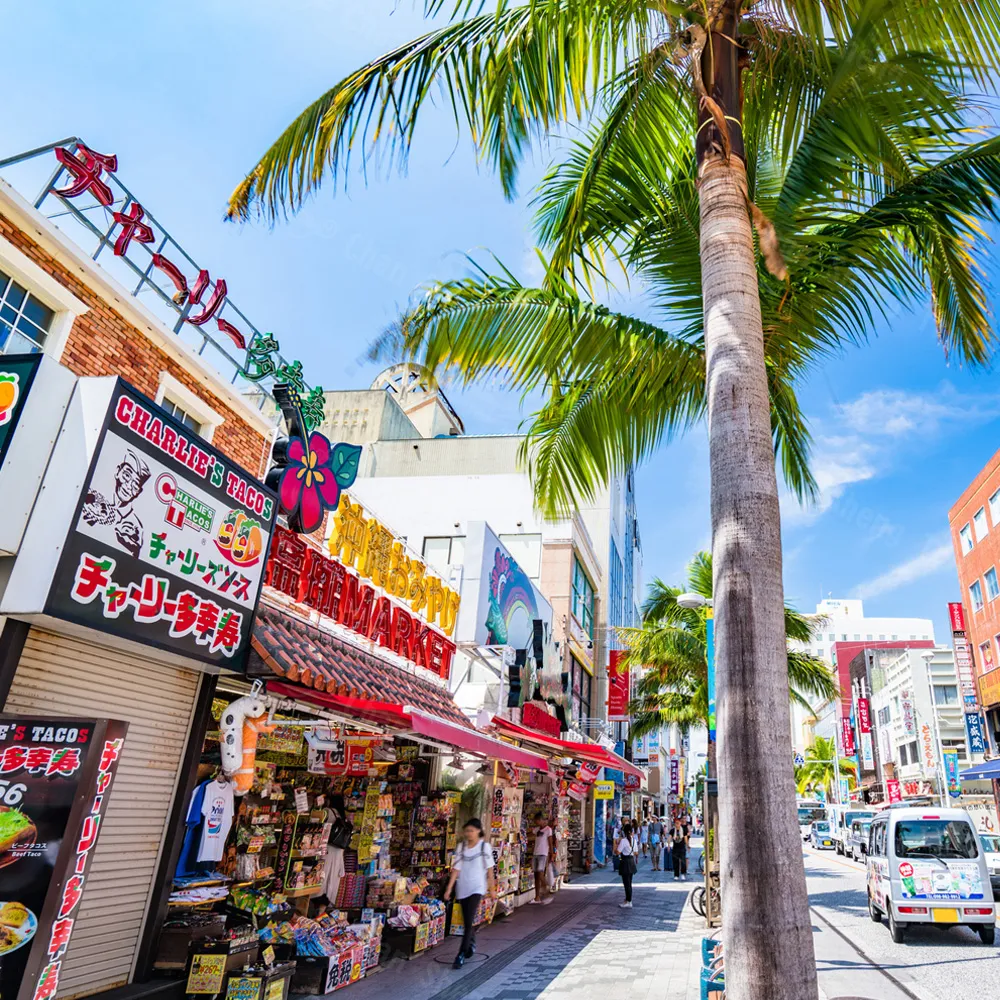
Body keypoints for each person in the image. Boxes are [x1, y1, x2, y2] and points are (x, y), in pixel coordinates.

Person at [444, 819, 495, 969]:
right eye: (467, 831)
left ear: (479, 831)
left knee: (467, 921)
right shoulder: (461, 847)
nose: (469, 834)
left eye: (472, 830)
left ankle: (460, 954)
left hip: (477, 888)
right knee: (467, 920)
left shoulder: (484, 847)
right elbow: (456, 869)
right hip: (463, 888)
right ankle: (471, 943)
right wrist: (449, 889)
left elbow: (490, 871)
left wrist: (492, 890)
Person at [531, 818, 554, 904]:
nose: (537, 822)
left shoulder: (548, 830)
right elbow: (530, 833)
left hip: (543, 854)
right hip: (535, 854)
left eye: (538, 820)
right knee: (536, 875)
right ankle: (537, 897)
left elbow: (550, 842)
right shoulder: (537, 829)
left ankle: (547, 892)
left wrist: (552, 854)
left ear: (542, 820)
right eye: (536, 821)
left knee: (540, 873)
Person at [615, 821, 636, 908]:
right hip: (631, 862)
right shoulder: (634, 840)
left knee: (626, 883)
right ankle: (628, 900)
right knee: (629, 883)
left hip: (625, 862)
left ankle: (629, 901)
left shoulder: (623, 841)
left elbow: (618, 852)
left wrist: (616, 845)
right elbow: (636, 852)